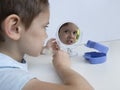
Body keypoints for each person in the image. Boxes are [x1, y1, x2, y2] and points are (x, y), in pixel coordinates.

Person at [0, 0, 94, 90]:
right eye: (44, 27)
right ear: (15, 28)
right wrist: (62, 66)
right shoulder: (8, 76)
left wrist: (44, 49)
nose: (46, 35)